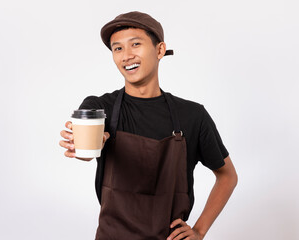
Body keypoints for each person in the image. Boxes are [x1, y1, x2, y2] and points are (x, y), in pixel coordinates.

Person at [59, 11, 238, 240]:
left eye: (135, 44)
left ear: (160, 50)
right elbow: (86, 143)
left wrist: (199, 230)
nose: (126, 56)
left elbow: (227, 176)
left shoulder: (193, 116)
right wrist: (83, 146)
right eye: (118, 48)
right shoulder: (101, 107)